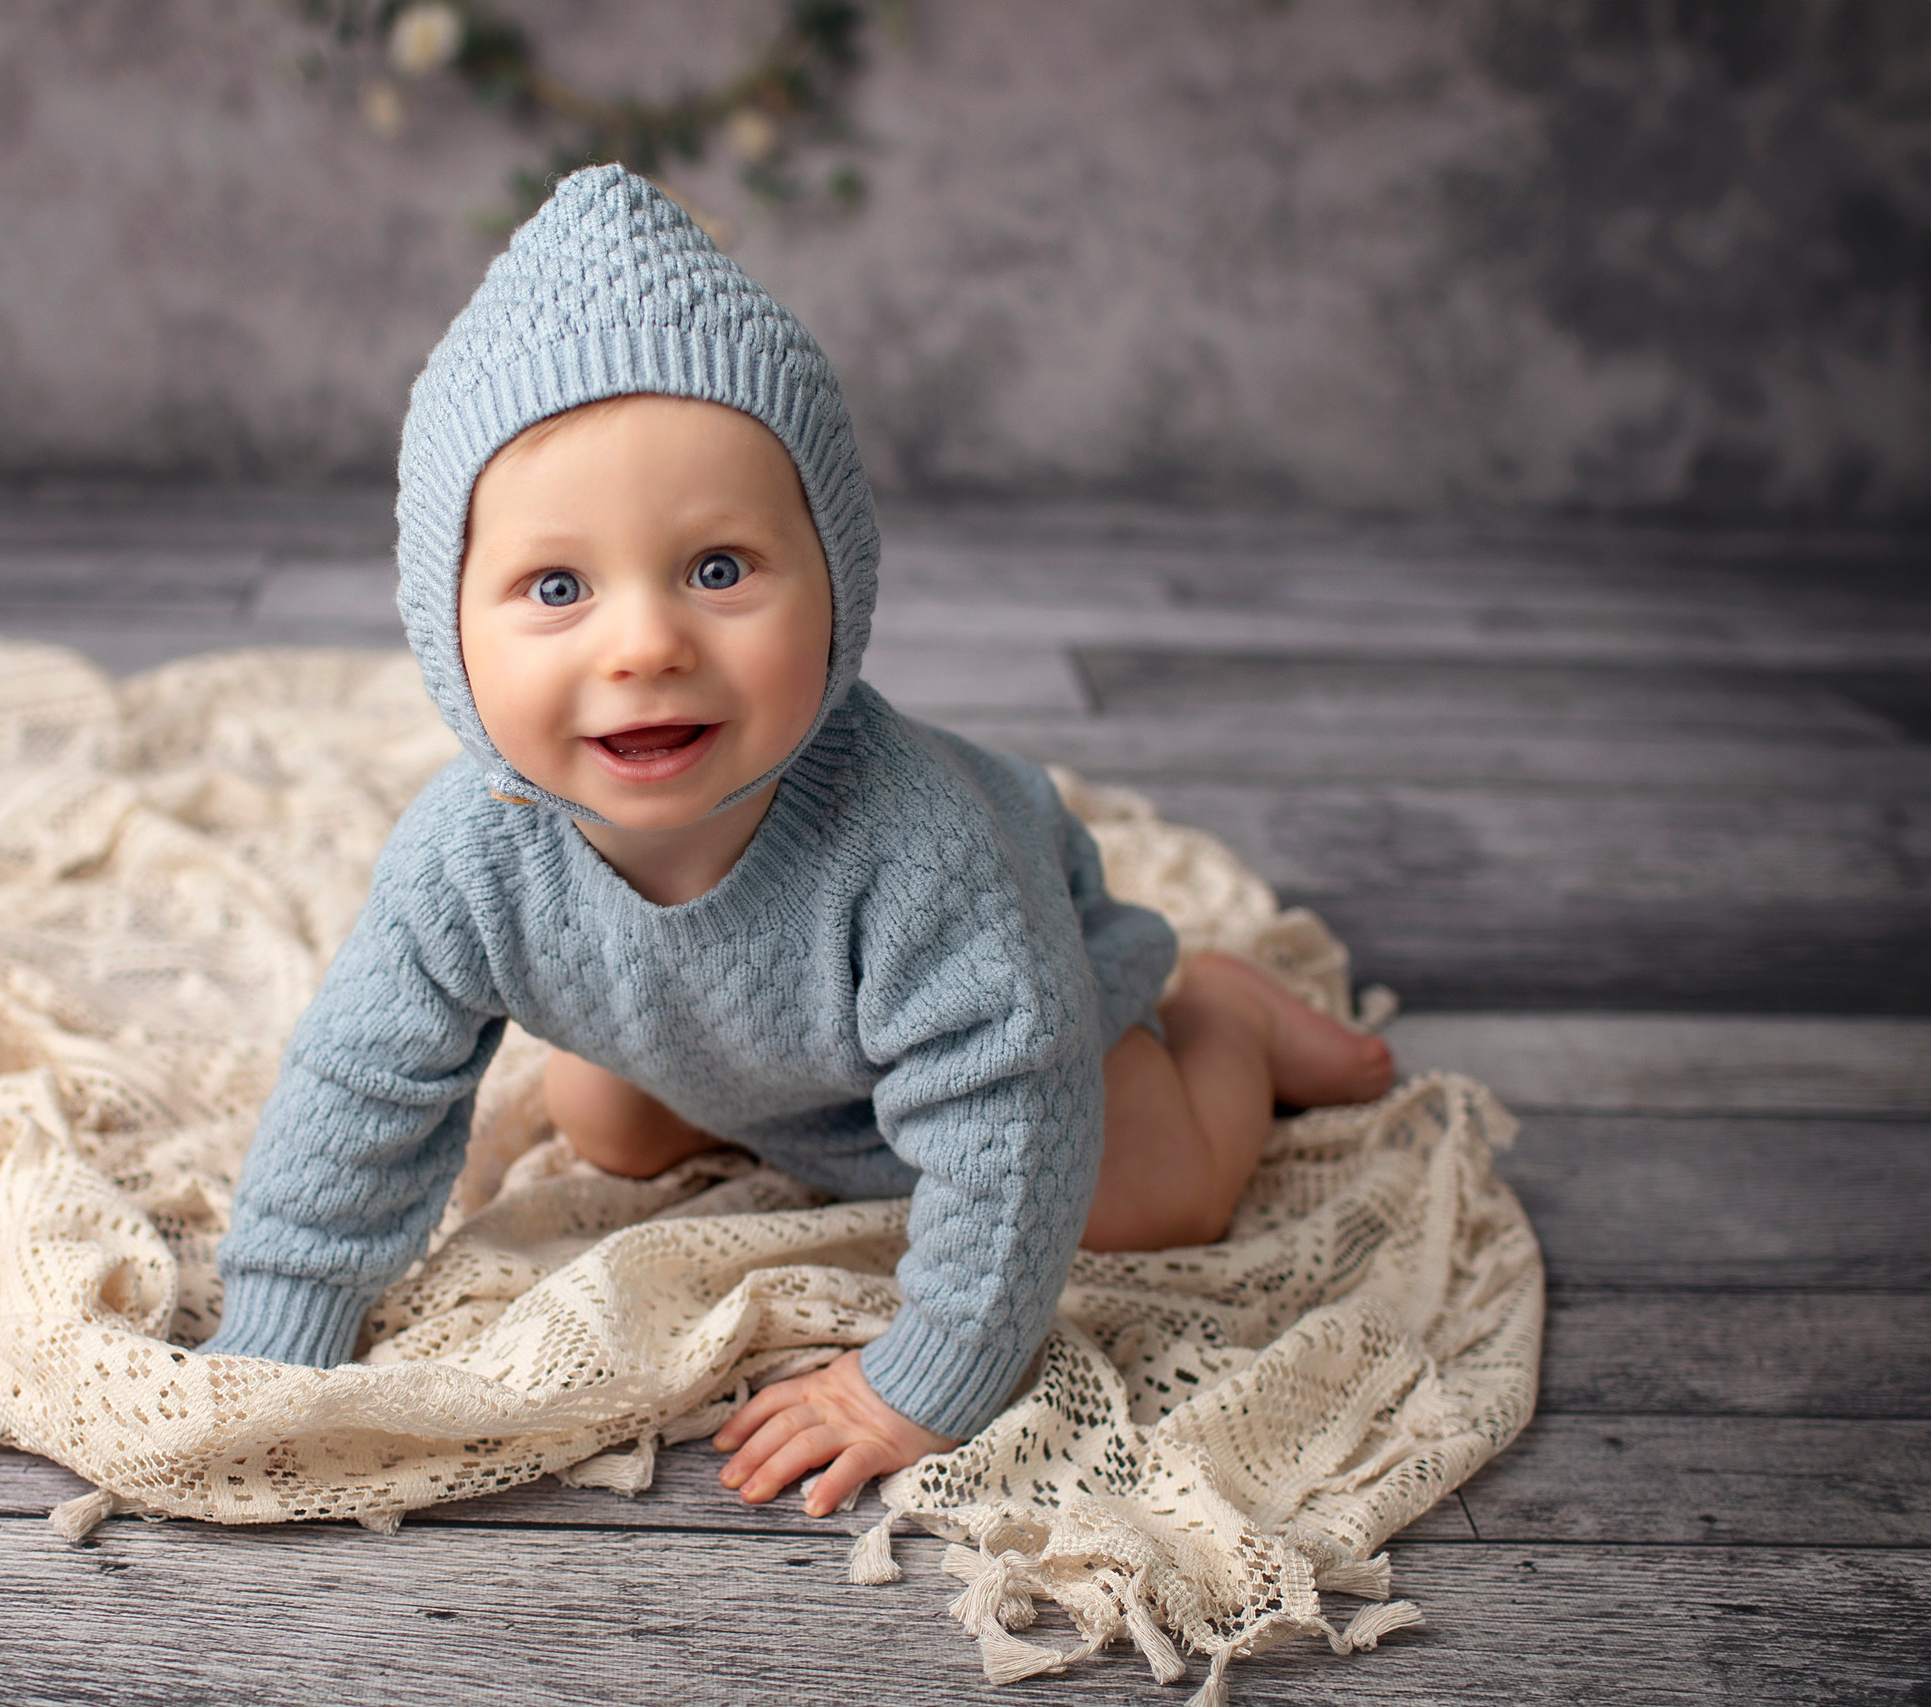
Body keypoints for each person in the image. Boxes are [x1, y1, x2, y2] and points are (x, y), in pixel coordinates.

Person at [200, 165, 1393, 1518]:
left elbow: (1010, 1123)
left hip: (1027, 1004)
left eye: (718, 569)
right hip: (727, 1045)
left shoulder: (922, 851)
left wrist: (922, 1380)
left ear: (838, 580)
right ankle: (726, 1082)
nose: (646, 644)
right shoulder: (463, 854)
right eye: (557, 586)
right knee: (604, 1129)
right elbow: (357, 1085)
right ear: (446, 627)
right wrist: (283, 1321)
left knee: (1154, 1196)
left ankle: (1225, 1016)